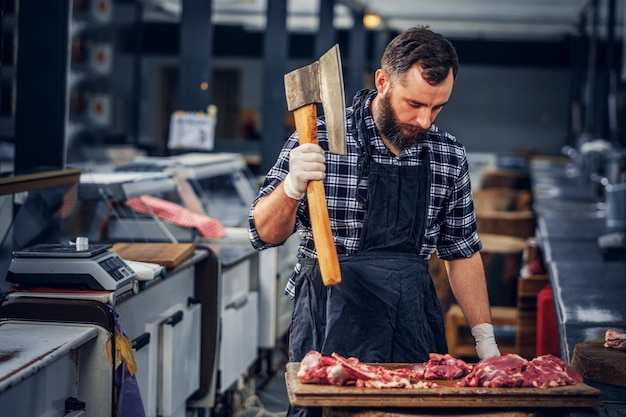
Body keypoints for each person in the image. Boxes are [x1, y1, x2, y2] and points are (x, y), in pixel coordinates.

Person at [248, 26, 500, 414]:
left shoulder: (448, 155)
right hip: (331, 318)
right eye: (414, 103)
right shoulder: (318, 138)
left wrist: (485, 342)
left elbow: (461, 252)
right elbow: (263, 233)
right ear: (383, 81)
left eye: (437, 107)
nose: (425, 120)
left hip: (412, 320)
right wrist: (292, 186)